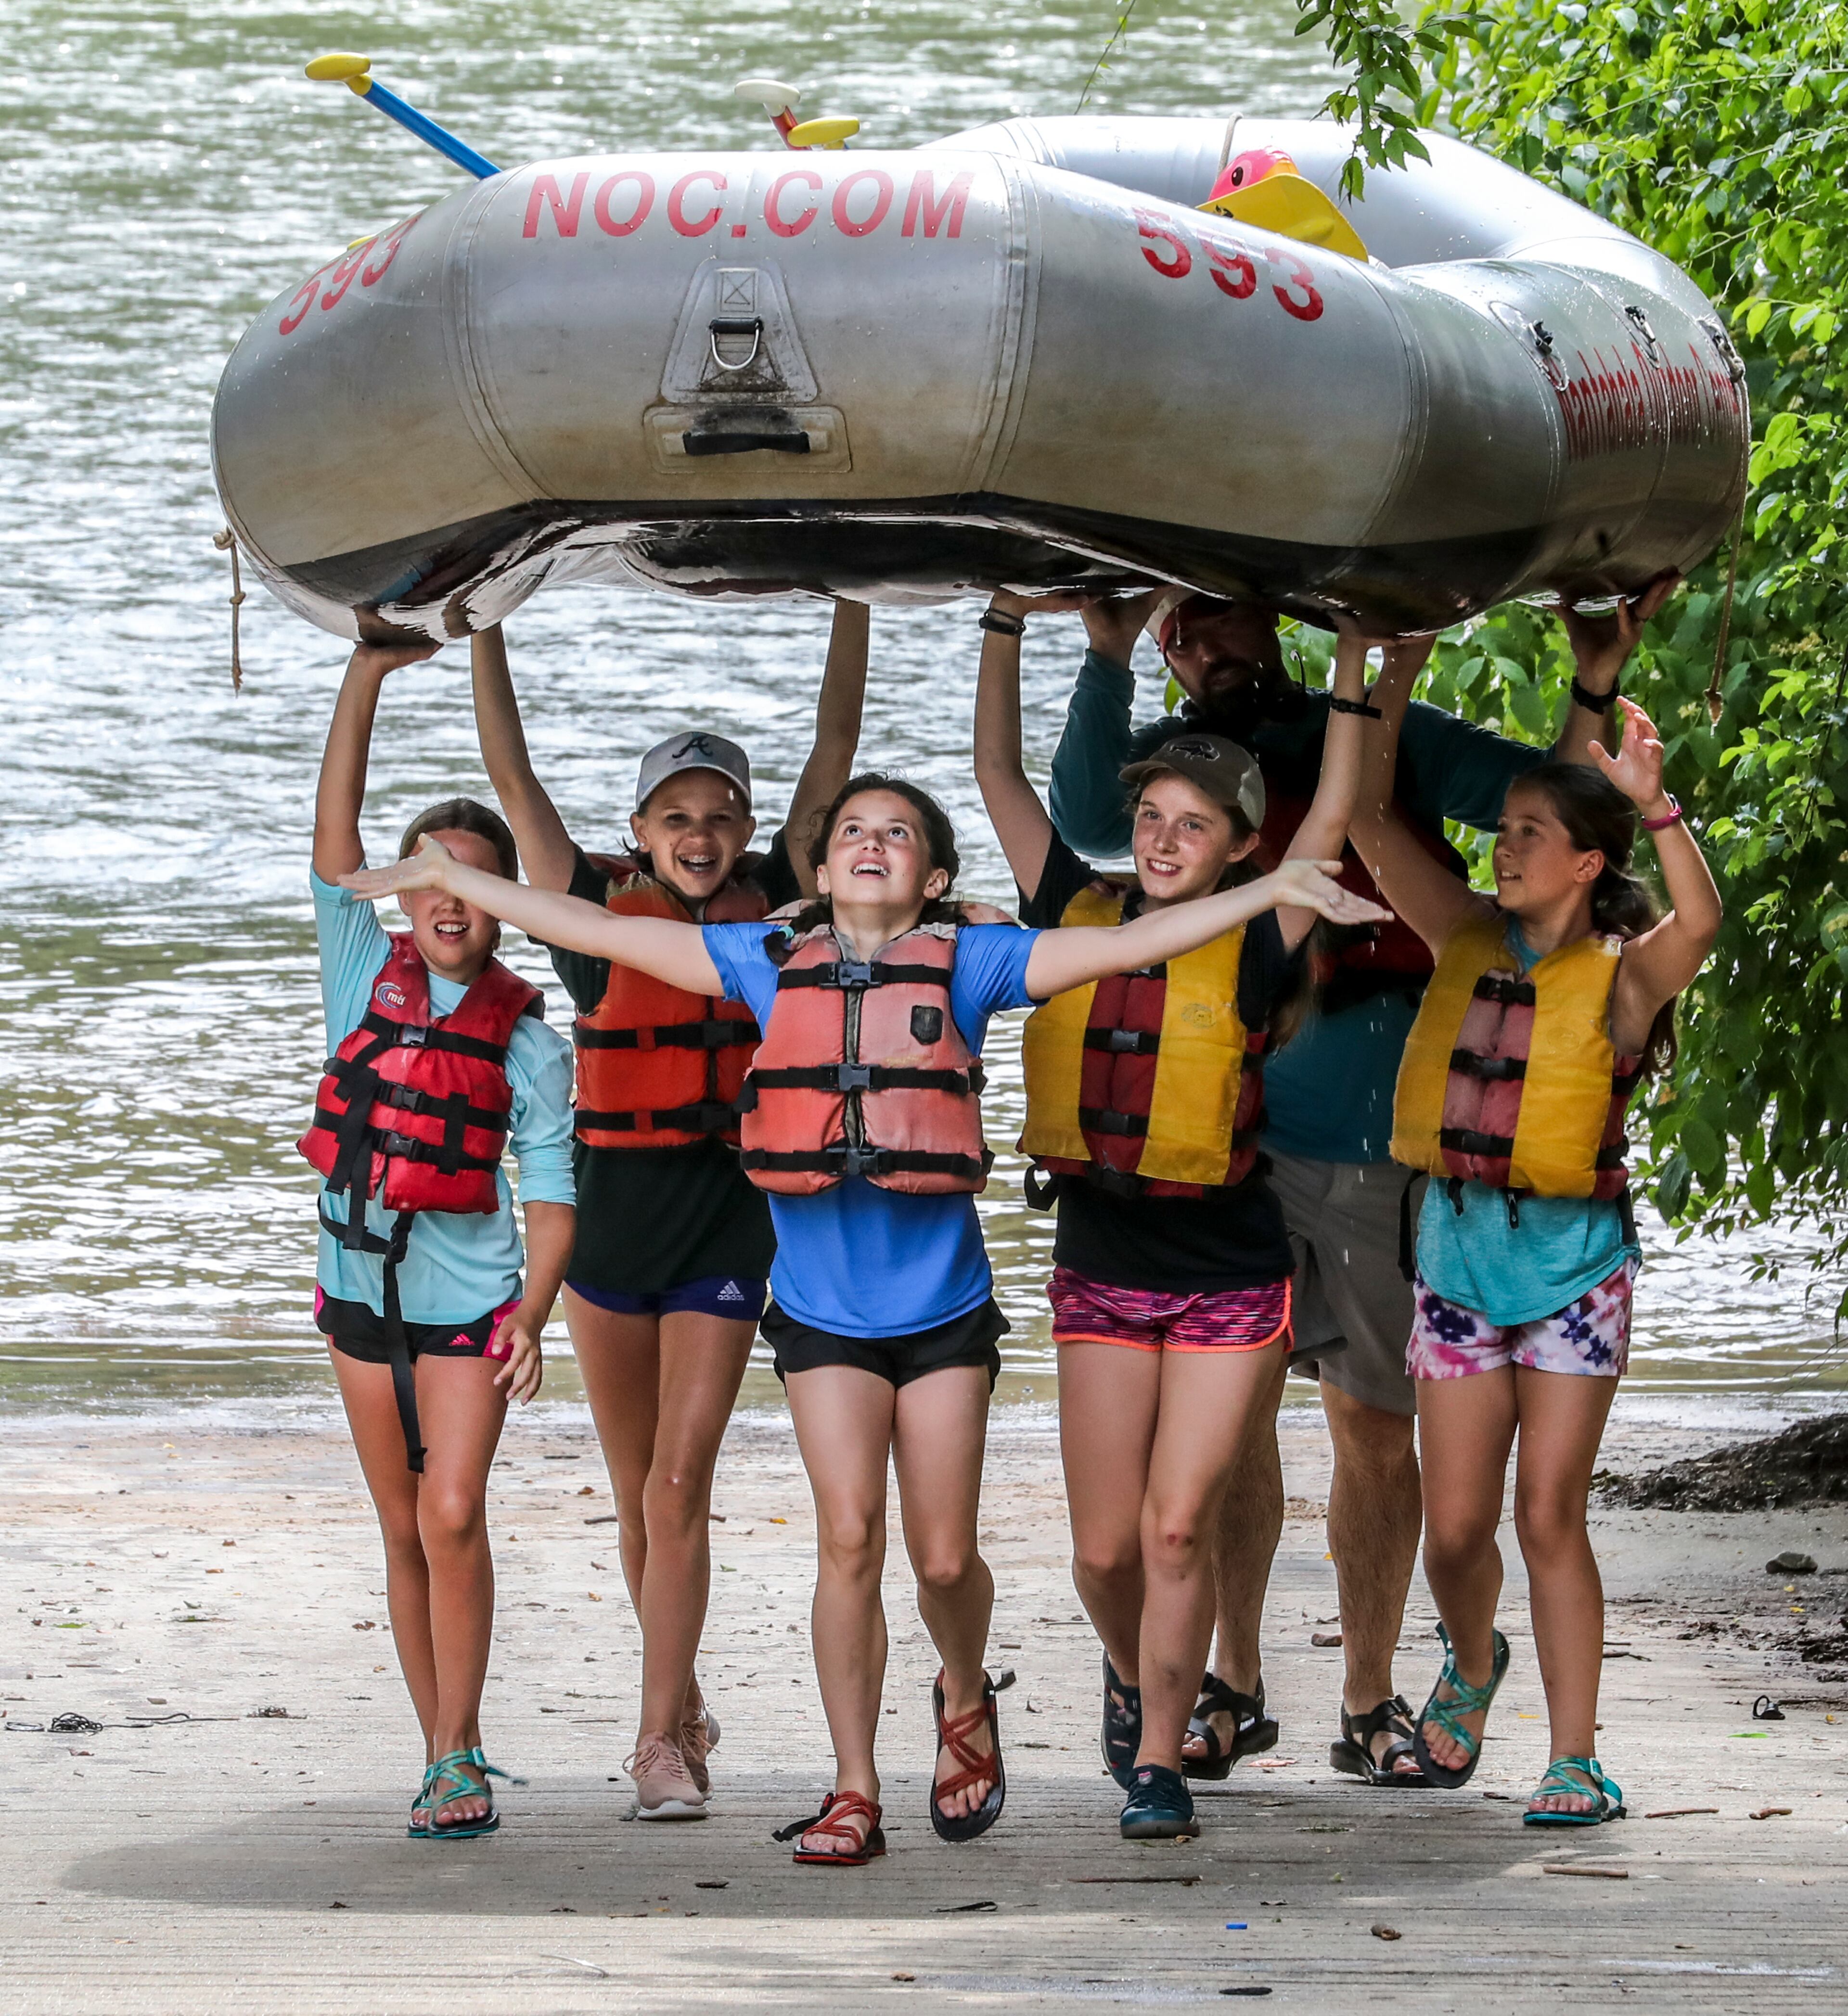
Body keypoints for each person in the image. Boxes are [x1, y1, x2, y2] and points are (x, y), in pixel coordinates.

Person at [337, 766, 1384, 1864]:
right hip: (824, 1318)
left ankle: (966, 1692)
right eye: (852, 830)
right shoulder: (763, 960)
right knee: (847, 1538)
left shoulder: (976, 961)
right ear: (823, 867)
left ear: (932, 877)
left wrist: (1270, 893)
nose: (870, 842)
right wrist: (461, 880)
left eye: (897, 832)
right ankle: (853, 1788)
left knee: (940, 1561)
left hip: (941, 1317)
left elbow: (1127, 947)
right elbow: (596, 925)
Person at [1043, 580, 1675, 1786]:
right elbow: (1076, 812)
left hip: (1391, 1155)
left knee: (1377, 1431)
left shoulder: (1406, 749)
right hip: (1242, 1152)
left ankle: (1370, 1690)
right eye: (1184, 627)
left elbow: (1556, 808)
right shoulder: (1174, 771)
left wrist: (1593, 680)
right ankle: (1231, 1680)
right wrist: (1104, 653)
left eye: (1230, 617)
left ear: (1286, 629)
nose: (1211, 641)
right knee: (1224, 1441)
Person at [974, 595, 1389, 1838]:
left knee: (1173, 1523)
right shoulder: (1070, 907)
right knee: (1106, 1548)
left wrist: (1358, 656)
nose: (1161, 838)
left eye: (1191, 822)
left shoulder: (1268, 933)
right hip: (1102, 1257)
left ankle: (1159, 1757)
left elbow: (1332, 811)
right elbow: (995, 769)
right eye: (1149, 815)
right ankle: (1129, 1667)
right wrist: (1004, 614)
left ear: (1235, 844)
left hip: (1229, 1269)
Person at [469, 604, 867, 1819]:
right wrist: (482, 622)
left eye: (720, 815)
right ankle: (679, 1694)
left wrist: (853, 598)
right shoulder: (593, 919)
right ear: (638, 834)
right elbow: (511, 775)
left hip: (727, 1223)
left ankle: (656, 1744)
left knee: (680, 1482)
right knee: (637, 1480)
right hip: (610, 1228)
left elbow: (832, 754)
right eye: (675, 817)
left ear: (748, 831)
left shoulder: (784, 915)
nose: (701, 835)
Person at [1347, 654, 1720, 1823]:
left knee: (1547, 1511)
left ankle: (1575, 1757)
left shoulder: (1622, 980)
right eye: (1501, 829)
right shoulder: (1462, 931)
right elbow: (1362, 813)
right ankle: (1472, 1655)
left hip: (1575, 1274)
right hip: (1459, 1267)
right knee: (1455, 1528)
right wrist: (1383, 668)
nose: (1502, 848)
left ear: (1588, 860)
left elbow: (1700, 918)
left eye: (1527, 832)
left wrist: (1657, 805)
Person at [306, 638, 576, 1839]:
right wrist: (365, 673)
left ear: (507, 902)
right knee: (401, 1521)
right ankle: (438, 1751)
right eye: (431, 877)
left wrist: (535, 1313)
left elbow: (555, 1191)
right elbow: (331, 839)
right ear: (402, 895)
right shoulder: (362, 965)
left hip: (472, 1305)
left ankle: (461, 1746)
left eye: (478, 880)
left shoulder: (532, 1042)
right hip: (358, 1294)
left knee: (452, 1508)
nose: (452, 898)